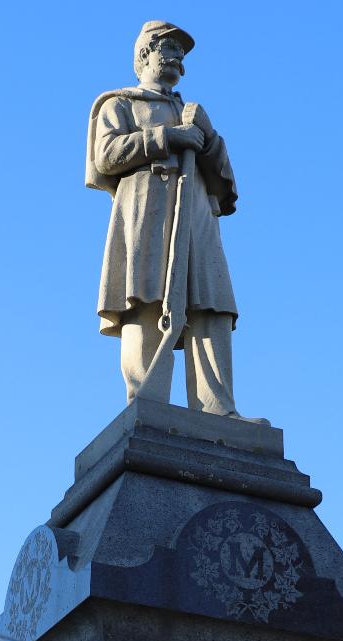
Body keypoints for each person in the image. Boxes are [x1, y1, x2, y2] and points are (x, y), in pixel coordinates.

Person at [86, 21, 259, 419]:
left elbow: (226, 184)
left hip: (197, 216)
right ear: (146, 53)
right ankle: (146, 404)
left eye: (181, 53)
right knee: (145, 301)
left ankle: (218, 409)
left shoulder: (192, 112)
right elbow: (106, 156)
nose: (179, 58)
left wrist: (208, 136)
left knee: (211, 306)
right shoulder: (121, 104)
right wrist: (166, 138)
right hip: (146, 213)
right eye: (170, 49)